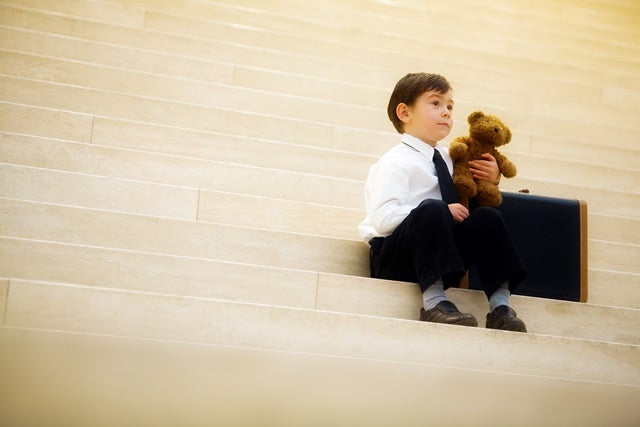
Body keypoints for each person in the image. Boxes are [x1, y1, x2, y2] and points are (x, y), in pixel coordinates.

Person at [358, 72, 527, 332]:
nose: (446, 112)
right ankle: (434, 302)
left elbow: (471, 198)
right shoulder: (393, 162)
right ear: (404, 112)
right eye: (435, 103)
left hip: (441, 256)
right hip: (397, 258)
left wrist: (492, 179)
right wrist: (443, 212)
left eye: (450, 106)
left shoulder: (452, 158)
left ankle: (500, 306)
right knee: (432, 208)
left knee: (487, 218)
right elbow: (383, 219)